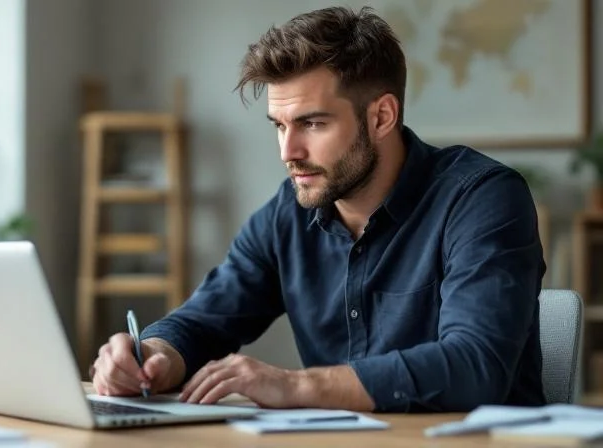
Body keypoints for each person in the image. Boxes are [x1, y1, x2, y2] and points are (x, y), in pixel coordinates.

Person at [90, 5, 546, 413]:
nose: (289, 151)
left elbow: (475, 366)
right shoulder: (287, 214)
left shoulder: (482, 198)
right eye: (280, 125)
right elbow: (204, 320)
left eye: (312, 123)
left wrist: (293, 385)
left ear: (382, 117)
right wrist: (153, 356)